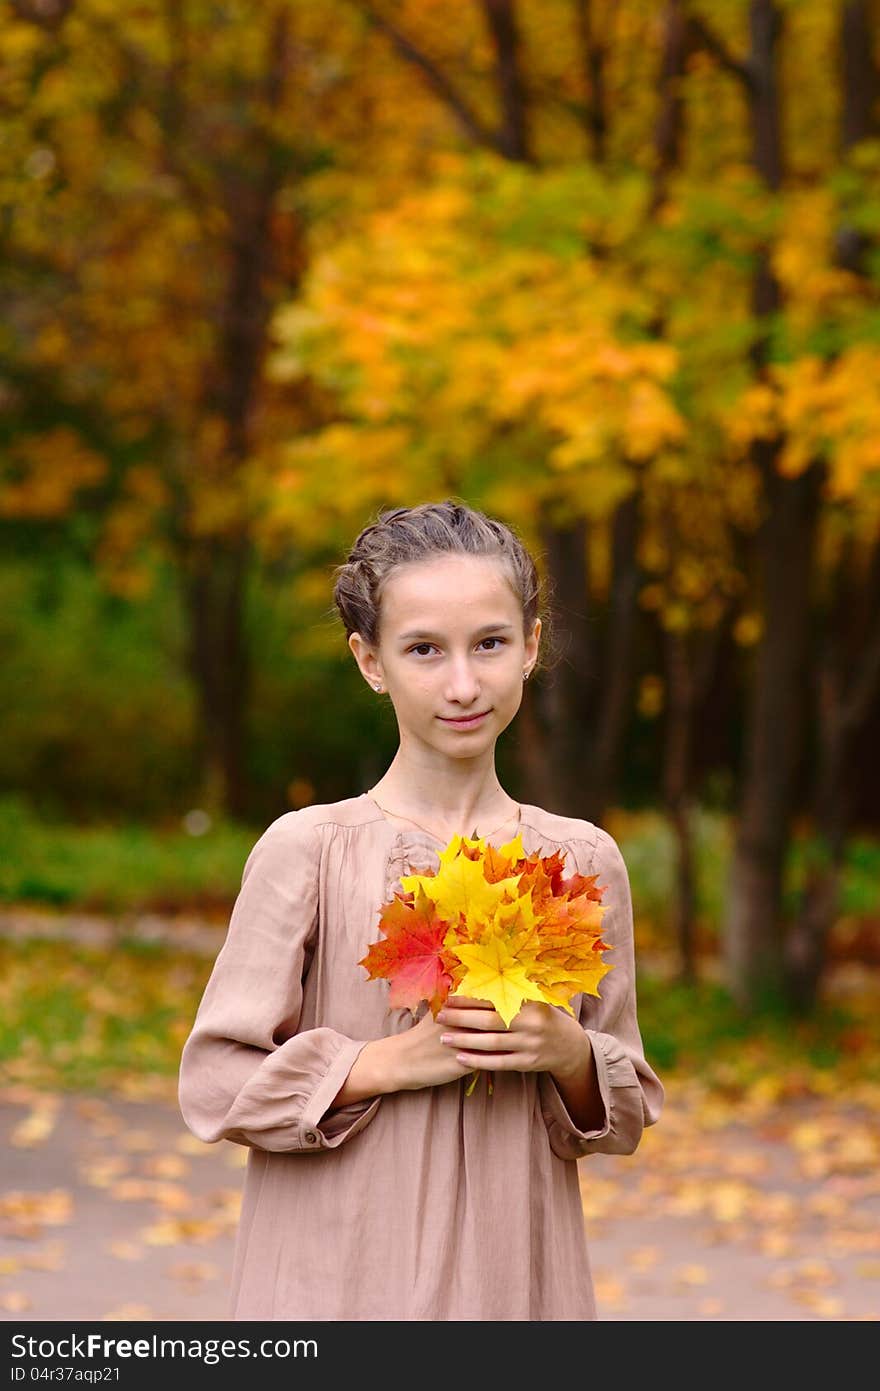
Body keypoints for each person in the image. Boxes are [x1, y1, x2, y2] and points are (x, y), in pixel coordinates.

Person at [177, 498, 664, 1321]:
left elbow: (624, 1108)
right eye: (425, 650)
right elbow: (217, 1084)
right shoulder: (310, 851)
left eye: (490, 644)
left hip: (517, 1283)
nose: (463, 683)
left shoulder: (582, 861)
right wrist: (389, 1063)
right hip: (339, 1279)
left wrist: (569, 1049)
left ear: (531, 646)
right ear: (371, 662)